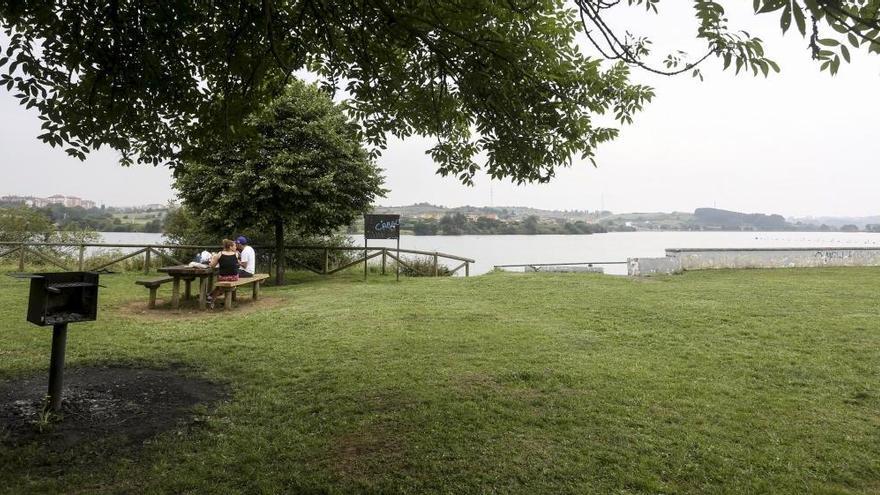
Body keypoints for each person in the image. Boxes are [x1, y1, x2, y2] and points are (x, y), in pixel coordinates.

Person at [207, 239, 239, 307]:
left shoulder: (220, 254)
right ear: (230, 247)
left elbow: (212, 266)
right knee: (220, 286)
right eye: (234, 246)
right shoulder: (236, 254)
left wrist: (212, 260)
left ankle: (211, 300)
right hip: (234, 277)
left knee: (219, 285)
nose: (235, 247)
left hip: (223, 277)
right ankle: (210, 297)